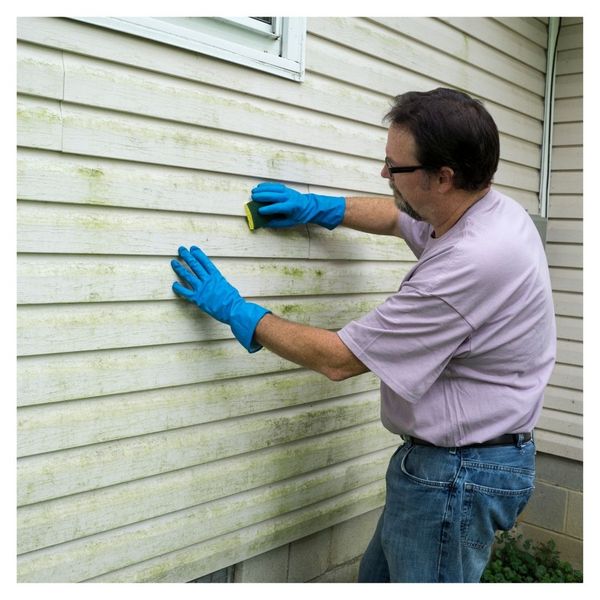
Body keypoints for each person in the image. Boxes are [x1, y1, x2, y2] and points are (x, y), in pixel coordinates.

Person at [170, 88, 556, 583]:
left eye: (396, 168)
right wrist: (319, 207)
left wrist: (236, 310)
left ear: (443, 177)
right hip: (454, 465)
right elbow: (400, 217)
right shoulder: (485, 210)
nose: (384, 175)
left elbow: (338, 359)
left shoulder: (470, 264)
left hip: (457, 478)